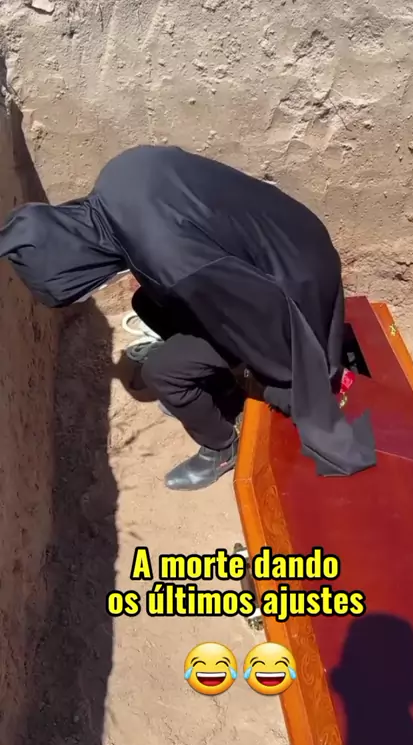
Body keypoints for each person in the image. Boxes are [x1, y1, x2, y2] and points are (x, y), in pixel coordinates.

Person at [0, 145, 376, 490]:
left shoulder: (169, 260)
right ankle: (220, 382)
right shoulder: (118, 175)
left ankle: (221, 447)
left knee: (164, 372)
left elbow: (258, 311)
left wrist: (280, 377)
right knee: (147, 302)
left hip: (294, 285)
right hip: (292, 236)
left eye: (86, 286)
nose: (96, 288)